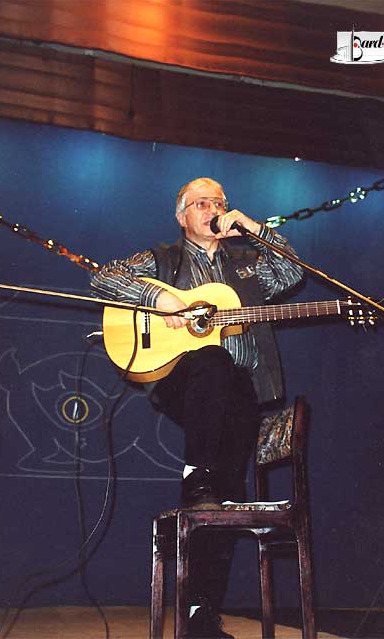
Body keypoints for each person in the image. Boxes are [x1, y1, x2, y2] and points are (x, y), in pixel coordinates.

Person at [90, 177, 303, 638]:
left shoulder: (245, 265)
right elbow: (103, 277)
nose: (212, 209)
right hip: (181, 380)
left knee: (224, 499)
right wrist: (161, 298)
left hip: (240, 394)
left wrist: (252, 228)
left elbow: (291, 273)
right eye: (201, 203)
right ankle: (196, 473)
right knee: (210, 358)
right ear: (181, 215)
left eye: (219, 202)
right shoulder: (162, 259)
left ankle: (199, 614)